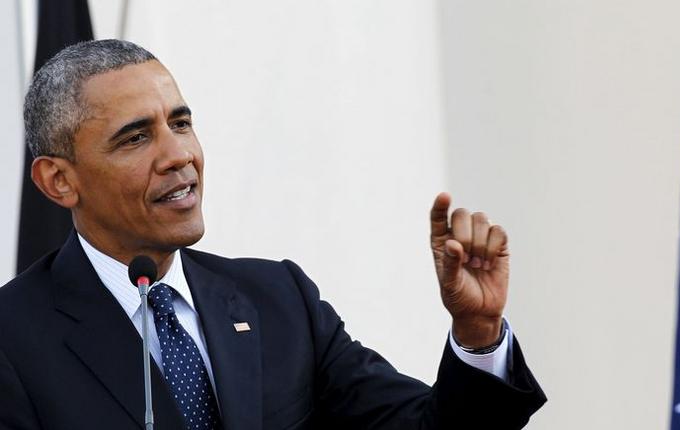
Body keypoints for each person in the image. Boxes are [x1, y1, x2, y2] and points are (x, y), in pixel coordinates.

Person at [0, 39, 545, 430]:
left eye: (181, 123)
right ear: (59, 181)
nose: (179, 155)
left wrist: (477, 332)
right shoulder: (13, 341)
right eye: (136, 138)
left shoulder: (280, 300)